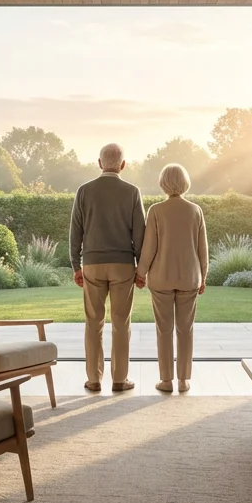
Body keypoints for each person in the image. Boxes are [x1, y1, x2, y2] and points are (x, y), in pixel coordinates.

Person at [69, 142, 146, 392]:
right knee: (121, 323)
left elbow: (75, 232)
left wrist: (76, 265)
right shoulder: (132, 192)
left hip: (92, 264)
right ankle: (120, 379)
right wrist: (141, 268)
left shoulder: (84, 191)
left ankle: (93, 379)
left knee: (94, 322)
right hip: (123, 265)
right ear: (123, 165)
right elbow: (140, 234)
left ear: (100, 163)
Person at [136, 163, 208, 393]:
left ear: (163, 183)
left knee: (164, 330)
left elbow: (149, 248)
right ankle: (184, 380)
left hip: (161, 279)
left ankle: (166, 380)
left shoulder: (156, 211)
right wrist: (203, 276)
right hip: (189, 278)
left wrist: (140, 273)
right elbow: (202, 249)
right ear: (185, 182)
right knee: (186, 330)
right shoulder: (195, 210)